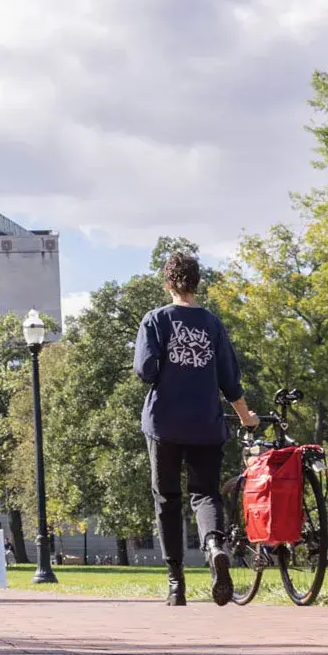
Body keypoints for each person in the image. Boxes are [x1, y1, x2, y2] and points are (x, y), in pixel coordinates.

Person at [135, 248, 258, 608]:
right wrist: (247, 416)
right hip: (206, 423)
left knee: (167, 500)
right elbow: (230, 381)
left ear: (168, 283)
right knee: (206, 494)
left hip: (165, 425)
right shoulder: (213, 324)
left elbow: (145, 371)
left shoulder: (156, 320)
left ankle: (176, 584)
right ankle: (214, 546)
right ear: (197, 284)